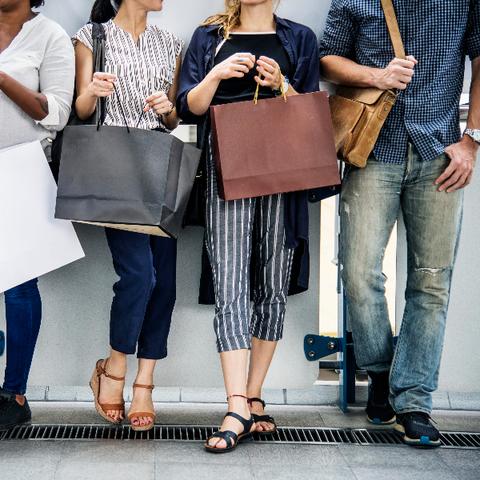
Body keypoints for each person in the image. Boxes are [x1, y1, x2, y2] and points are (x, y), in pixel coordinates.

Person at [320, 0, 480, 447]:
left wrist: (473, 141)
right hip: (371, 150)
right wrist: (376, 75)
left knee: (431, 282)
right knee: (358, 274)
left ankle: (413, 402)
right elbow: (327, 58)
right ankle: (381, 374)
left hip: (441, 151)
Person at [177, 0, 320, 453]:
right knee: (231, 280)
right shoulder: (209, 36)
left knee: (273, 282)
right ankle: (235, 404)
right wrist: (217, 75)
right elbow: (187, 108)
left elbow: (313, 111)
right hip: (227, 165)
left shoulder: (299, 38)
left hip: (284, 169)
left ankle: (254, 395)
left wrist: (282, 84)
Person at [74, 0, 183, 431]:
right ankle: (114, 365)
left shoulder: (170, 42)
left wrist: (166, 108)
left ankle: (145, 383)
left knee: (166, 282)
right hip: (114, 167)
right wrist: (93, 92)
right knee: (140, 276)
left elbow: (176, 117)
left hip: (159, 164)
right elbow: (82, 111)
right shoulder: (92, 37)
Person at [0, 0, 74, 429]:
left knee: (18, 288)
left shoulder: (49, 36)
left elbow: (58, 113)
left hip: (24, 171)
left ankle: (15, 394)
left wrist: (4, 79)